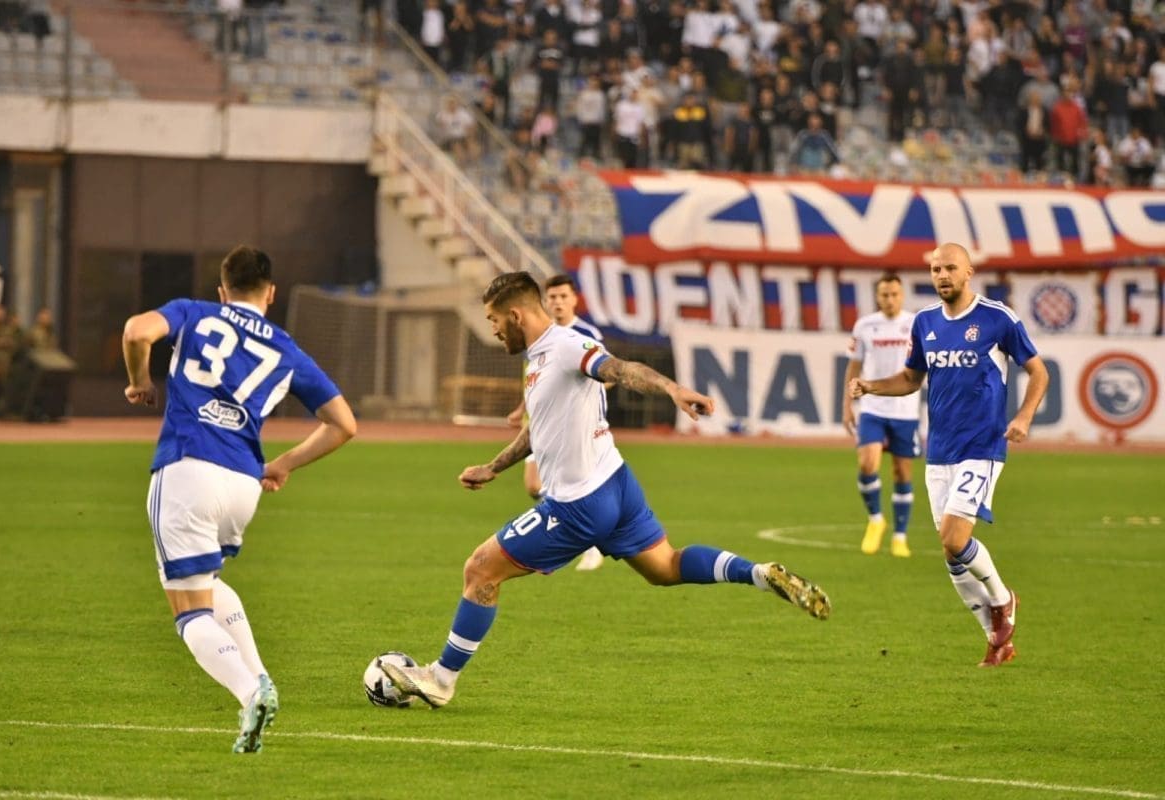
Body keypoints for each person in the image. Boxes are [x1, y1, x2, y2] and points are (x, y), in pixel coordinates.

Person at [383, 272, 830, 708]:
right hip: (617, 485)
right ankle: (759, 573)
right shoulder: (538, 359)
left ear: (515, 315)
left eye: (494, 320)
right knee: (665, 567)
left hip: (578, 504)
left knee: (481, 570)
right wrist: (493, 466)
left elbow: (620, 369)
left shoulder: (566, 345)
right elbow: (539, 429)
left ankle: (441, 679)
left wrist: (672, 389)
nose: (494, 330)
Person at [121, 246, 356, 752]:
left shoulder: (195, 312)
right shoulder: (286, 348)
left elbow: (137, 331)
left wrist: (140, 382)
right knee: (208, 583)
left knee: (189, 610)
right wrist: (284, 464)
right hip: (244, 483)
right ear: (271, 293)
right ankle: (260, 677)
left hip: (188, 467)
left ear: (222, 291)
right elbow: (344, 424)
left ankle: (250, 693)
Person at [849, 243, 1049, 668]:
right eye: (936, 269)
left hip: (981, 446)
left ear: (968, 272)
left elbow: (1038, 371)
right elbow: (910, 378)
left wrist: (1024, 416)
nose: (942, 275)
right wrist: (870, 386)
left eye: (950, 268)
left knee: (955, 539)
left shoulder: (997, 318)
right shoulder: (925, 322)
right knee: (951, 554)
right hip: (940, 451)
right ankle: (995, 639)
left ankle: (1003, 599)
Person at [506, 274, 608, 572]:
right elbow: (537, 380)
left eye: (563, 296)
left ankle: (585, 542)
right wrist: (521, 408)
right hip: (539, 423)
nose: (558, 302)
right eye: (552, 297)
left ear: (574, 299)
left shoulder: (586, 333)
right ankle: (578, 534)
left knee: (569, 486)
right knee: (533, 485)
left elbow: (606, 374)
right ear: (545, 301)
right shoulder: (537, 336)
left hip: (573, 426)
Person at [842, 274, 920, 558]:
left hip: (906, 409)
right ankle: (876, 519)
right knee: (867, 463)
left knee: (902, 471)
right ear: (877, 297)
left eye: (894, 294)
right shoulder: (865, 325)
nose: (890, 299)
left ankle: (900, 537)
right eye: (885, 294)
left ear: (902, 295)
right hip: (872, 407)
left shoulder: (916, 324)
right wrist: (847, 405)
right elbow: (854, 367)